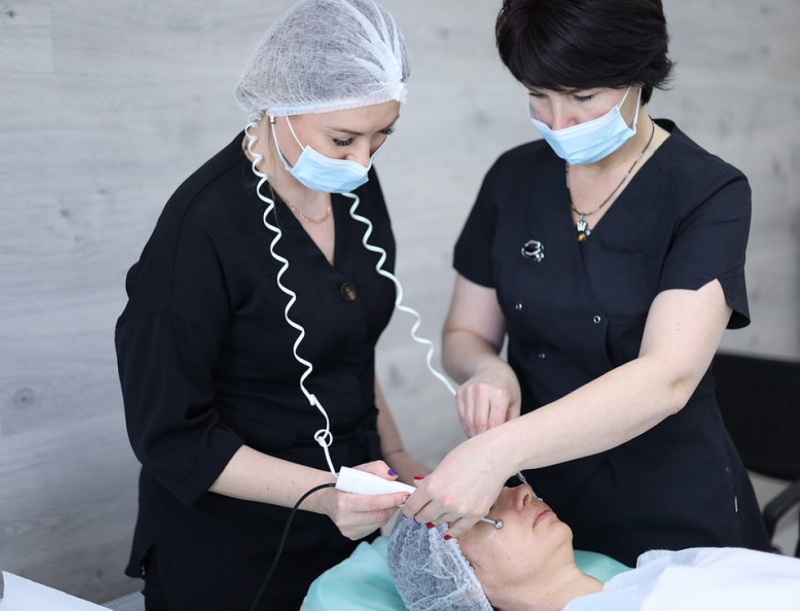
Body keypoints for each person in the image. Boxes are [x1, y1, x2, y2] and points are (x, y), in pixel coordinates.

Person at [402, 0, 772, 565]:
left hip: (671, 503)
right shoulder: (512, 178)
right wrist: (487, 369)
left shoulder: (708, 193)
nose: (558, 121)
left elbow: (667, 377)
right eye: (538, 95)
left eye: (583, 97)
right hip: (540, 505)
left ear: (640, 75)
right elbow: (464, 333)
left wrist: (496, 451)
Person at [114, 1, 430, 609]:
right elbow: (171, 434)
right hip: (231, 553)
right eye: (343, 139)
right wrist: (325, 494)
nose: (363, 161)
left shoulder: (347, 184)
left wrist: (396, 457)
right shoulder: (200, 231)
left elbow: (344, 348)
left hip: (347, 532)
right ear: (276, 104)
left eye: (382, 136)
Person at [390, 484, 800, 611]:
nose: (524, 492)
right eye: (488, 510)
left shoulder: (664, 566)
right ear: (466, 586)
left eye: (505, 486)